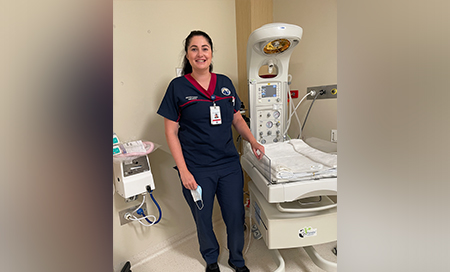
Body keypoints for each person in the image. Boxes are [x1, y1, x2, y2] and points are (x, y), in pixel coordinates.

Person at [157, 30, 264, 272]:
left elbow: (237, 118)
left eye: (205, 48)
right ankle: (211, 260)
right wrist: (184, 171)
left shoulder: (225, 83)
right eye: (194, 48)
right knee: (203, 220)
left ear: (211, 53)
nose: (200, 53)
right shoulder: (177, 87)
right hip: (196, 168)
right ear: (187, 54)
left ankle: (237, 260)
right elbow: (171, 132)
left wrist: (253, 141)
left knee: (235, 216)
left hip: (228, 165)